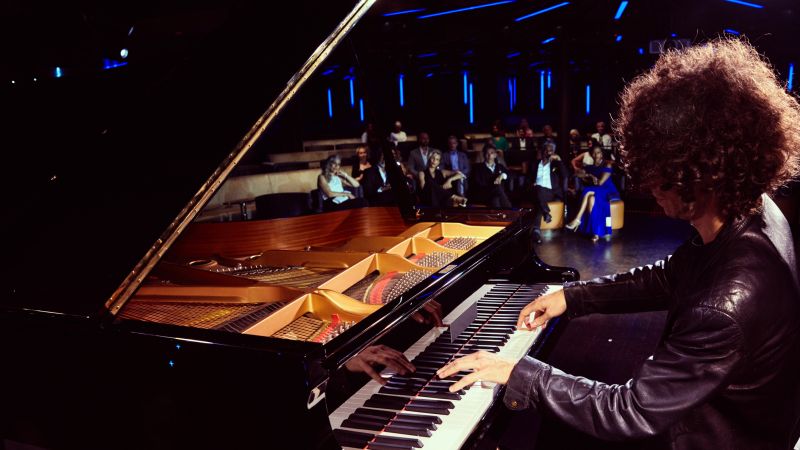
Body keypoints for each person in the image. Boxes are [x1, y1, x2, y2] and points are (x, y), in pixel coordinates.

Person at [436, 39, 800, 449]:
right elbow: (668, 277)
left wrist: (519, 372)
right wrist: (571, 297)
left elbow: (630, 412)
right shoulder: (750, 210)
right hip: (731, 416)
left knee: (552, 430)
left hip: (719, 439)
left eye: (659, 173)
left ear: (698, 174)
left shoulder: (726, 301)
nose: (646, 185)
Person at [564, 145, 620, 242]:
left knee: (587, 190)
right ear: (591, 155)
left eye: (598, 152)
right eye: (593, 153)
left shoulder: (607, 165)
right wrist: (588, 175)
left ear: (601, 154)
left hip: (608, 190)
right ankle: (596, 232)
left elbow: (600, 183)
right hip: (596, 191)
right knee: (591, 199)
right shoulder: (590, 167)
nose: (595, 154)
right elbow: (577, 174)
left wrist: (591, 177)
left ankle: (577, 219)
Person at [531, 142, 568, 244]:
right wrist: (531, 183)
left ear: (553, 152)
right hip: (536, 192)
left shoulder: (555, 164)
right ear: (542, 151)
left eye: (550, 150)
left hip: (551, 192)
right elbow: (528, 179)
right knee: (538, 190)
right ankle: (545, 214)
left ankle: (537, 229)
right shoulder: (535, 164)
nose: (548, 152)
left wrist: (559, 159)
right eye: (546, 150)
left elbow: (565, 175)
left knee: (539, 195)